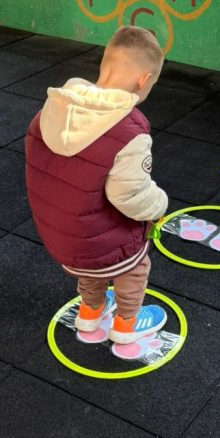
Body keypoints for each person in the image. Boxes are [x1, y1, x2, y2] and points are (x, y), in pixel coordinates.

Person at [26, 26, 169, 344]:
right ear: (144, 80)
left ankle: (90, 312)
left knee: (91, 264)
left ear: (104, 65)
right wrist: (159, 205)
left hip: (61, 240)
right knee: (134, 266)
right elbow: (130, 195)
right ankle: (126, 324)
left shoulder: (51, 111)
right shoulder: (129, 130)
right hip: (103, 243)